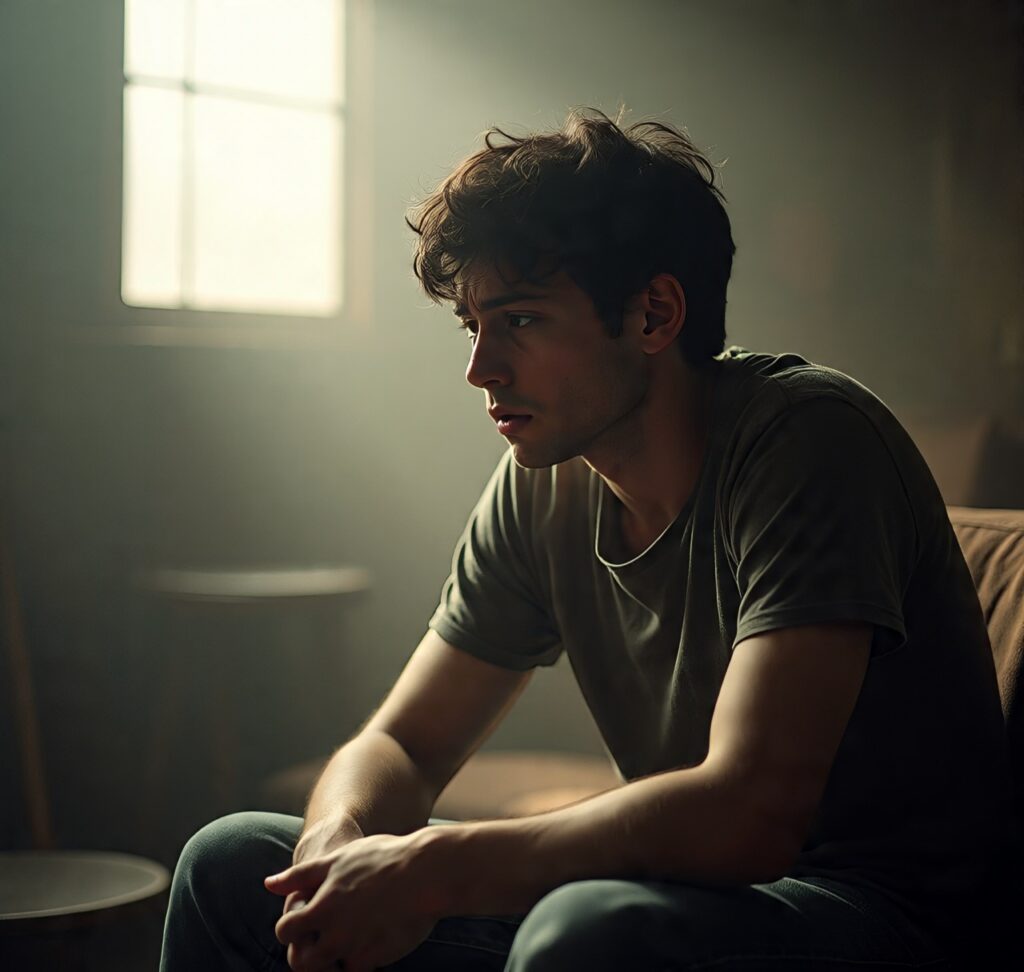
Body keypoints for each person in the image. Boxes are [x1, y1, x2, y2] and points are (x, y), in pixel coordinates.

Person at [160, 109, 1013, 972]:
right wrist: (336, 846)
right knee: (231, 863)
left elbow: (748, 816)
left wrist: (430, 869)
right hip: (690, 906)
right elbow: (404, 745)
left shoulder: (808, 442)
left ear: (654, 312)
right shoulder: (546, 480)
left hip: (880, 919)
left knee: (588, 931)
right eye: (472, 326)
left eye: (521, 321)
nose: (480, 368)